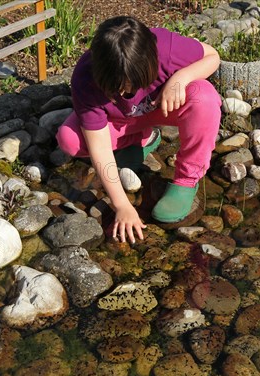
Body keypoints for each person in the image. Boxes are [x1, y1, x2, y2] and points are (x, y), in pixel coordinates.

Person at [56, 16, 221, 244]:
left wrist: (181, 78)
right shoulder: (86, 78)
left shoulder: (166, 47)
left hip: (160, 109)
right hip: (120, 122)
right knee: (70, 139)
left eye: (134, 86)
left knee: (204, 98)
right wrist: (121, 204)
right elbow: (99, 148)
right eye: (119, 90)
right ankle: (141, 139)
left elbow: (213, 56)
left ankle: (186, 180)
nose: (126, 94)